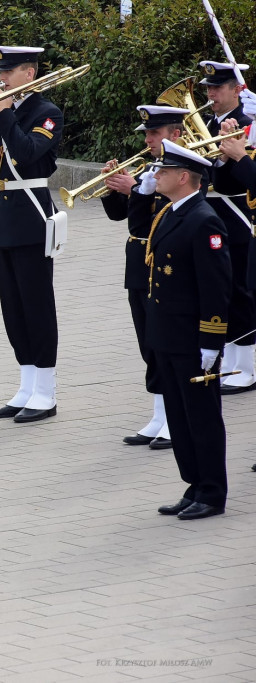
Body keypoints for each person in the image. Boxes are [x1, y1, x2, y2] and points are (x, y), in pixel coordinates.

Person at [0, 46, 63, 423]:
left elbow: (27, 153)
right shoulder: (3, 109)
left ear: (30, 73)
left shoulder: (46, 112)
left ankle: (47, 391)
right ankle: (26, 384)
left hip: (32, 214)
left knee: (37, 305)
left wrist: (3, 115)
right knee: (13, 307)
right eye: (1, 73)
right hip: (4, 216)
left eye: (9, 72)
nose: (1, 79)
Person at [140, 142, 231, 521]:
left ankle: (212, 492)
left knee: (201, 418)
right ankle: (194, 484)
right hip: (168, 336)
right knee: (179, 416)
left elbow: (216, 287)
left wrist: (211, 341)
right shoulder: (172, 212)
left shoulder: (204, 220)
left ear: (183, 178)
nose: (155, 175)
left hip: (193, 340)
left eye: (162, 171)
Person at [101, 105, 189, 451]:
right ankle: (159, 412)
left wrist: (137, 189)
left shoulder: (186, 168)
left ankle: (175, 415)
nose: (149, 140)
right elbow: (120, 216)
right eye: (148, 134)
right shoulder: (148, 168)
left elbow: (162, 213)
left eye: (155, 133)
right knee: (148, 340)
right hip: (138, 261)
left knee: (166, 340)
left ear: (176, 134)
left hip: (165, 263)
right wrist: (115, 188)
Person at [200, 62, 255, 393]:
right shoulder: (208, 122)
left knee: (239, 292)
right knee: (223, 291)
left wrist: (224, 157)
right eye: (208, 88)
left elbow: (236, 179)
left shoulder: (249, 125)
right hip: (214, 214)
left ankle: (246, 367)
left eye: (217, 88)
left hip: (236, 215)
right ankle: (231, 364)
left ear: (237, 90)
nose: (210, 94)